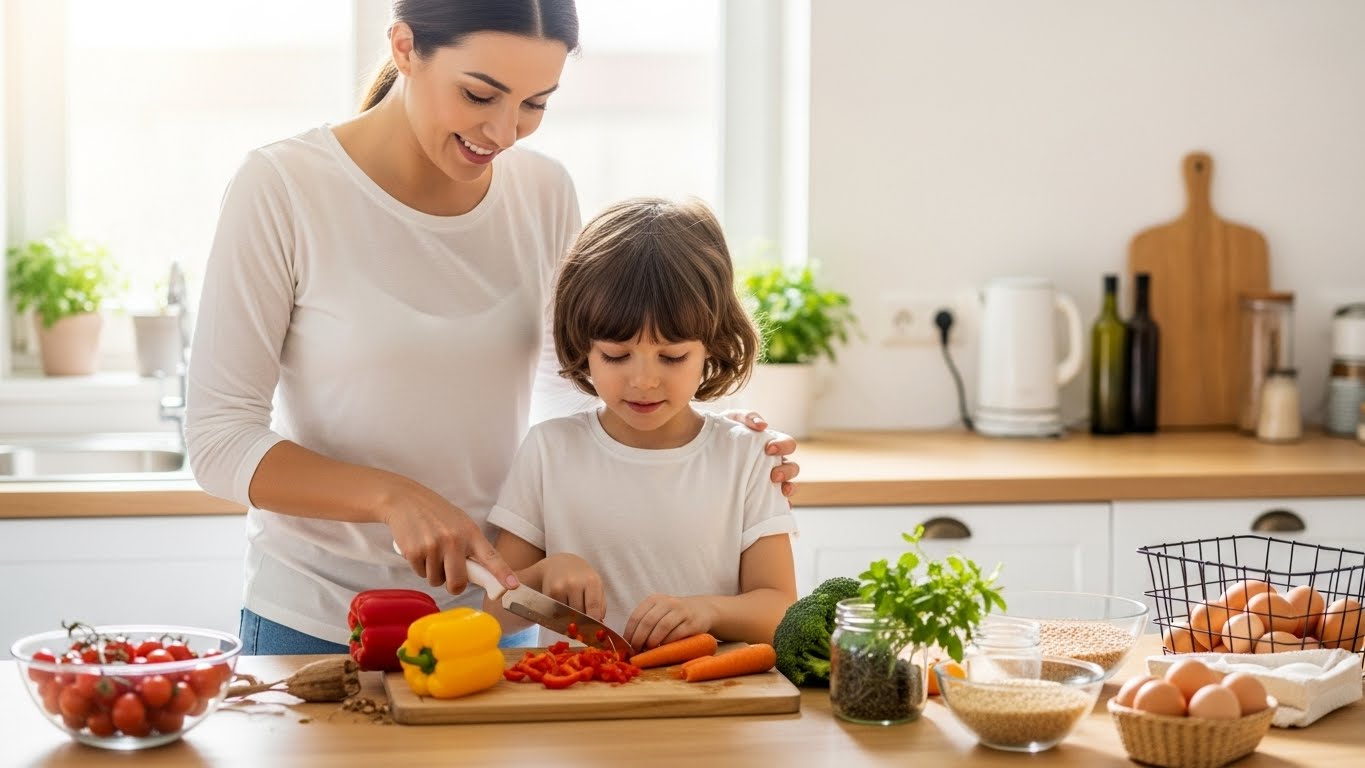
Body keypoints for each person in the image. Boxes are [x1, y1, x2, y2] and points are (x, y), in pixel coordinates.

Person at [185, 0, 800, 655]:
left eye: (536, 103)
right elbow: (219, 442)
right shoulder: (283, 186)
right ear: (403, 48)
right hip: (318, 620)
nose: (504, 132)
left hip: (499, 615)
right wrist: (392, 497)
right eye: (479, 94)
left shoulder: (542, 192)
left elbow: (574, 391)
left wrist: (702, 439)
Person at [485, 198, 798, 651]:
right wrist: (543, 576)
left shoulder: (748, 456)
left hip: (712, 705)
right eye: (615, 355)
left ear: (711, 344)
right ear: (583, 344)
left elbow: (780, 610)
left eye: (672, 357)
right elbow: (496, 613)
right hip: (580, 703)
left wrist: (706, 611)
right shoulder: (549, 450)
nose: (644, 380)